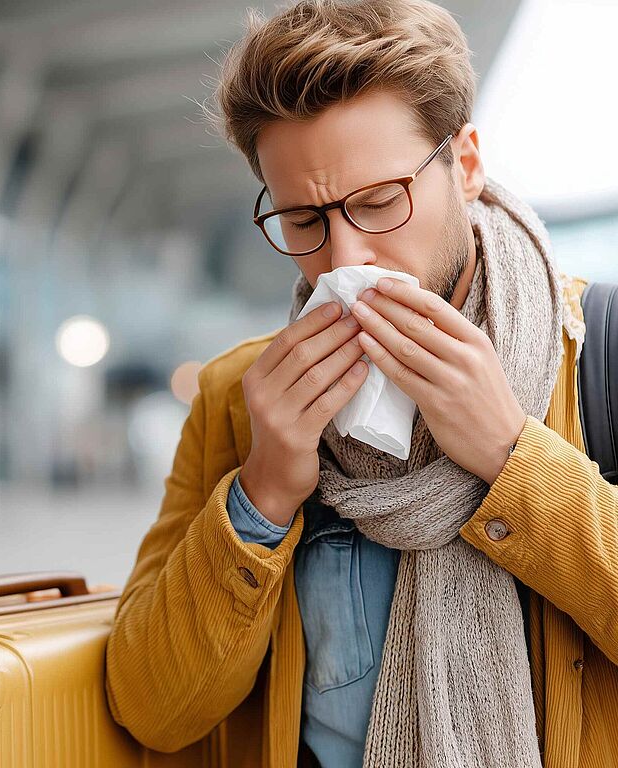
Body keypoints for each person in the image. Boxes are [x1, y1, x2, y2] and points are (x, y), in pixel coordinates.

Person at [105, 1, 618, 766]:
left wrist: (516, 460)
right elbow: (152, 708)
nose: (345, 257)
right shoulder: (236, 400)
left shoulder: (597, 352)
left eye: (380, 202)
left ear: (467, 165)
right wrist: (264, 493)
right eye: (304, 220)